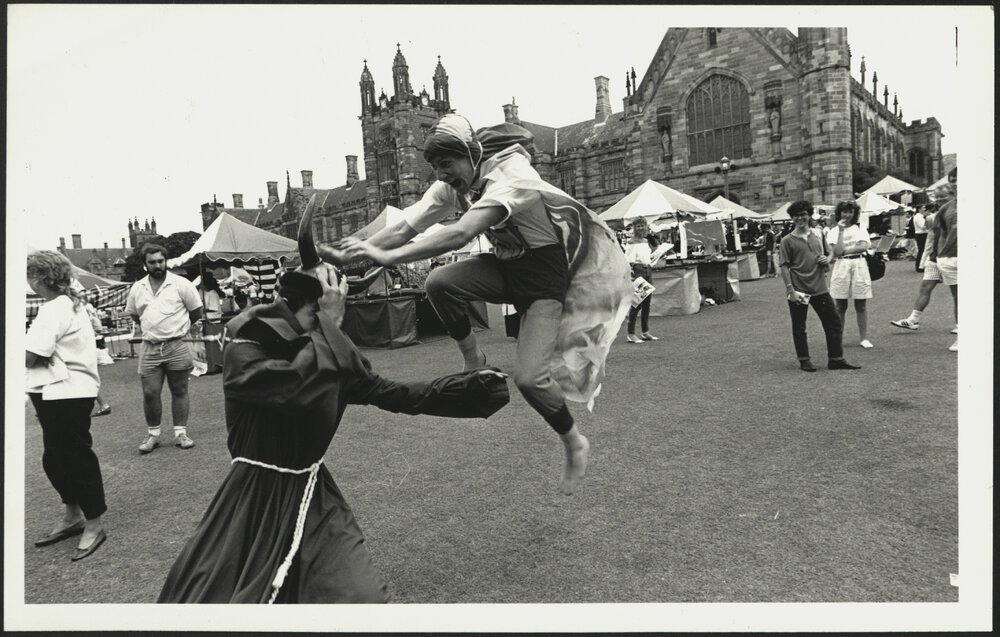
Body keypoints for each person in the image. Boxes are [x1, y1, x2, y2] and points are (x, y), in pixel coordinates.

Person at [158, 265, 509, 603]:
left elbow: (397, 394)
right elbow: (294, 387)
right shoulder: (245, 346)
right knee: (216, 599)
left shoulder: (332, 359)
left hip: (314, 495)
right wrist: (331, 323)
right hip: (251, 498)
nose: (330, 322)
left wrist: (470, 388)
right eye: (320, 312)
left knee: (360, 597)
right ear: (301, 307)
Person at [329, 113, 632, 495]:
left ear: (471, 155)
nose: (441, 174)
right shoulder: (453, 185)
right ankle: (475, 363)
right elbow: (406, 227)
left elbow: (460, 233)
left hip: (542, 279)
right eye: (435, 166)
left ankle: (573, 441)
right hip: (504, 269)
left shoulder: (512, 174)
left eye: (446, 164)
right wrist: (355, 253)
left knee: (529, 380)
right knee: (440, 282)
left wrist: (388, 257)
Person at [26, 251, 108, 561]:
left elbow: (30, 354)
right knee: (56, 458)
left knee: (74, 457)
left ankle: (94, 524)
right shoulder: (61, 305)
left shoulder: (55, 308)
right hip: (55, 391)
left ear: (37, 278)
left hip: (66, 392)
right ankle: (73, 517)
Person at [125, 243, 204, 453]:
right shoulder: (137, 288)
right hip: (150, 347)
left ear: (165, 261)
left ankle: (181, 433)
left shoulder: (181, 284)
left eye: (161, 261)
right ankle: (153, 435)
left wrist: (178, 329)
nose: (157, 265)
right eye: (152, 262)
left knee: (179, 390)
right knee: (150, 393)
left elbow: (196, 312)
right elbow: (135, 315)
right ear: (145, 265)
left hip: (177, 344)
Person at [778, 201, 861, 372]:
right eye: (796, 215)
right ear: (792, 218)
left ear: (809, 215)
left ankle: (836, 359)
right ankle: (804, 360)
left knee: (833, 322)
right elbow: (784, 266)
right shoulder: (787, 240)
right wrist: (790, 289)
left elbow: (830, 252)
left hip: (819, 287)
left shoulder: (818, 234)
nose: (800, 218)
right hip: (799, 289)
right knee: (800, 327)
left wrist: (828, 259)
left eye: (803, 214)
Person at [890, 189, 957, 338]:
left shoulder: (957, 213)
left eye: (944, 196)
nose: (940, 200)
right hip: (935, 258)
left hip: (951, 257)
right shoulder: (933, 218)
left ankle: (961, 325)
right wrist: (926, 259)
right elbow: (932, 239)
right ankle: (913, 320)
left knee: (957, 293)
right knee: (925, 287)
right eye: (937, 197)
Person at [827, 200, 874, 349]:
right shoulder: (833, 231)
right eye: (844, 211)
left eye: (850, 212)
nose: (847, 215)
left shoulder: (860, 227)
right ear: (839, 213)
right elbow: (837, 251)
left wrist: (846, 251)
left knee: (861, 304)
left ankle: (864, 338)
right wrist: (840, 231)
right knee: (840, 305)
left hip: (859, 265)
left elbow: (864, 246)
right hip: (841, 267)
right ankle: (838, 338)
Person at [928, 167, 958, 351]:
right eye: (953, 180)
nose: (955, 183)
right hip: (951, 259)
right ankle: (963, 337)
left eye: (958, 179)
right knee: (959, 299)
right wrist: (940, 257)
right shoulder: (946, 208)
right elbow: (940, 234)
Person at [624, 226, 659, 343]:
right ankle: (631, 333)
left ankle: (645, 331)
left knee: (647, 303)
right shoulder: (631, 242)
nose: (641, 228)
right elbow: (628, 259)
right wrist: (631, 273)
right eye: (638, 226)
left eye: (643, 225)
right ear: (634, 228)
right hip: (638, 270)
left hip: (647, 269)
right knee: (636, 303)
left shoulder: (645, 241)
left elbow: (647, 257)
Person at [913, 206, 928, 271]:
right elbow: (922, 226)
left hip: (920, 234)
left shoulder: (919, 216)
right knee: (922, 250)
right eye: (923, 208)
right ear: (919, 209)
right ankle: (919, 266)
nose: (924, 209)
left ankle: (920, 265)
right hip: (921, 234)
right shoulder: (919, 217)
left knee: (922, 250)